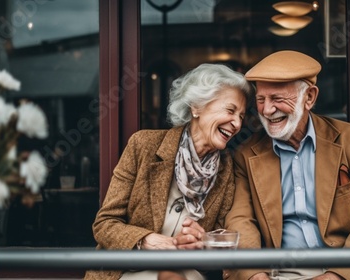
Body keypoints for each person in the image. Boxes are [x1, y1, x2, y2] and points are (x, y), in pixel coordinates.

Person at [223, 50, 350, 280]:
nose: (266, 110)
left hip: (347, 270)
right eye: (261, 99)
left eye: (278, 99)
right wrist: (255, 275)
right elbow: (241, 222)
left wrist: (335, 277)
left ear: (310, 97)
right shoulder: (245, 154)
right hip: (281, 273)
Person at [84, 63, 251, 280]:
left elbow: (218, 239)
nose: (237, 123)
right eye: (230, 110)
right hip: (129, 269)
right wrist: (145, 241)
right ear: (196, 107)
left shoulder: (226, 168)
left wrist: (202, 242)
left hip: (185, 271)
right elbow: (105, 224)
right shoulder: (144, 145)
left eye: (242, 115)